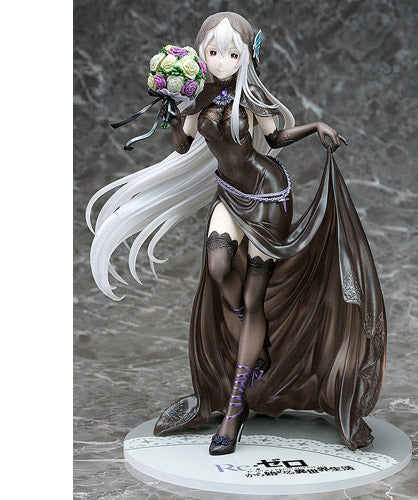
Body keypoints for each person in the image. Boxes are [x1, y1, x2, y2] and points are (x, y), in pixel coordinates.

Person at [87, 11, 387, 455]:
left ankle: (233, 411)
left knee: (253, 295)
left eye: (232, 53)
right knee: (218, 266)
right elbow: (182, 146)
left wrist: (316, 127)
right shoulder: (198, 98)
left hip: (268, 195)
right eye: (213, 51)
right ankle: (255, 335)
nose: (222, 60)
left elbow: (277, 139)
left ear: (245, 55)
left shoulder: (251, 96)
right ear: (200, 54)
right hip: (229, 194)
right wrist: (175, 105)